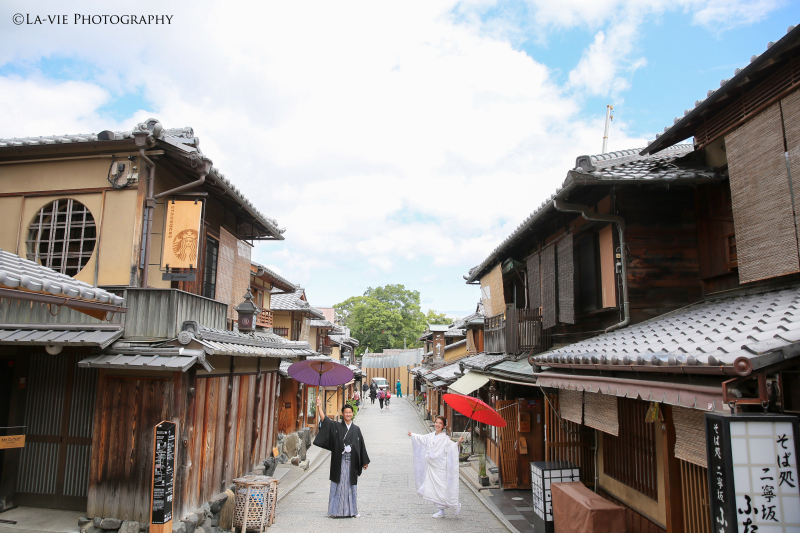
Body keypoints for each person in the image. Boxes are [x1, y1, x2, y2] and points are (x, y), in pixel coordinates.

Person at [313, 395, 370, 518]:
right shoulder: (337, 426)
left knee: (351, 485)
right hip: (339, 461)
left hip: (352, 462)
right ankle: (334, 511)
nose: (348, 414)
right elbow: (325, 421)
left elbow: (361, 445)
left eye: (350, 412)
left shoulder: (356, 429)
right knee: (338, 484)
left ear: (352, 414)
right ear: (342, 414)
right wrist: (319, 407)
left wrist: (364, 461)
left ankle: (353, 511)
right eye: (346, 412)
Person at [407, 415, 464, 518]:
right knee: (433, 488)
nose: (437, 425)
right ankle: (440, 509)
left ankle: (452, 504)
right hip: (432, 466)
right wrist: (413, 435)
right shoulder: (431, 435)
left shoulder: (445, 438)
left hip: (440, 467)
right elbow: (422, 438)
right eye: (436, 422)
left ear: (444, 426)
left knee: (441, 488)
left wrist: (458, 442)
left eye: (440, 423)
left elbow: (452, 447)